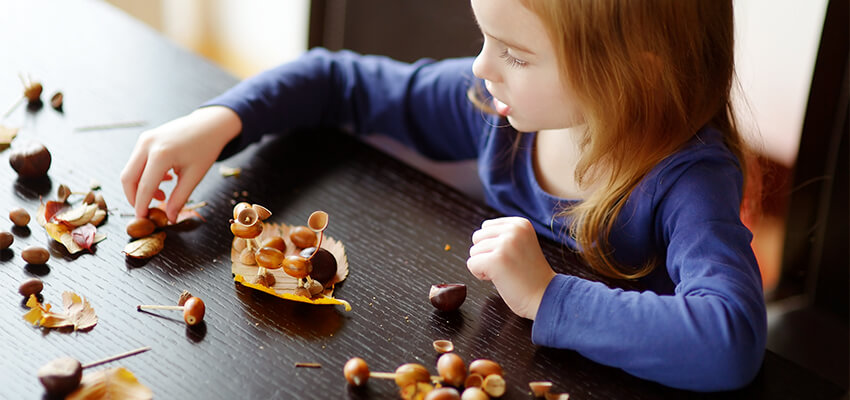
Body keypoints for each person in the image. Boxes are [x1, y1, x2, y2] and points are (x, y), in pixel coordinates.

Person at [121, 0, 766, 391]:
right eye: (485, 38)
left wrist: (547, 294)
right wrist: (223, 118)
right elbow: (336, 81)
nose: (481, 67)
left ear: (635, 72)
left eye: (513, 52)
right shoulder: (496, 105)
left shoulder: (689, 181)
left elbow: (728, 341)